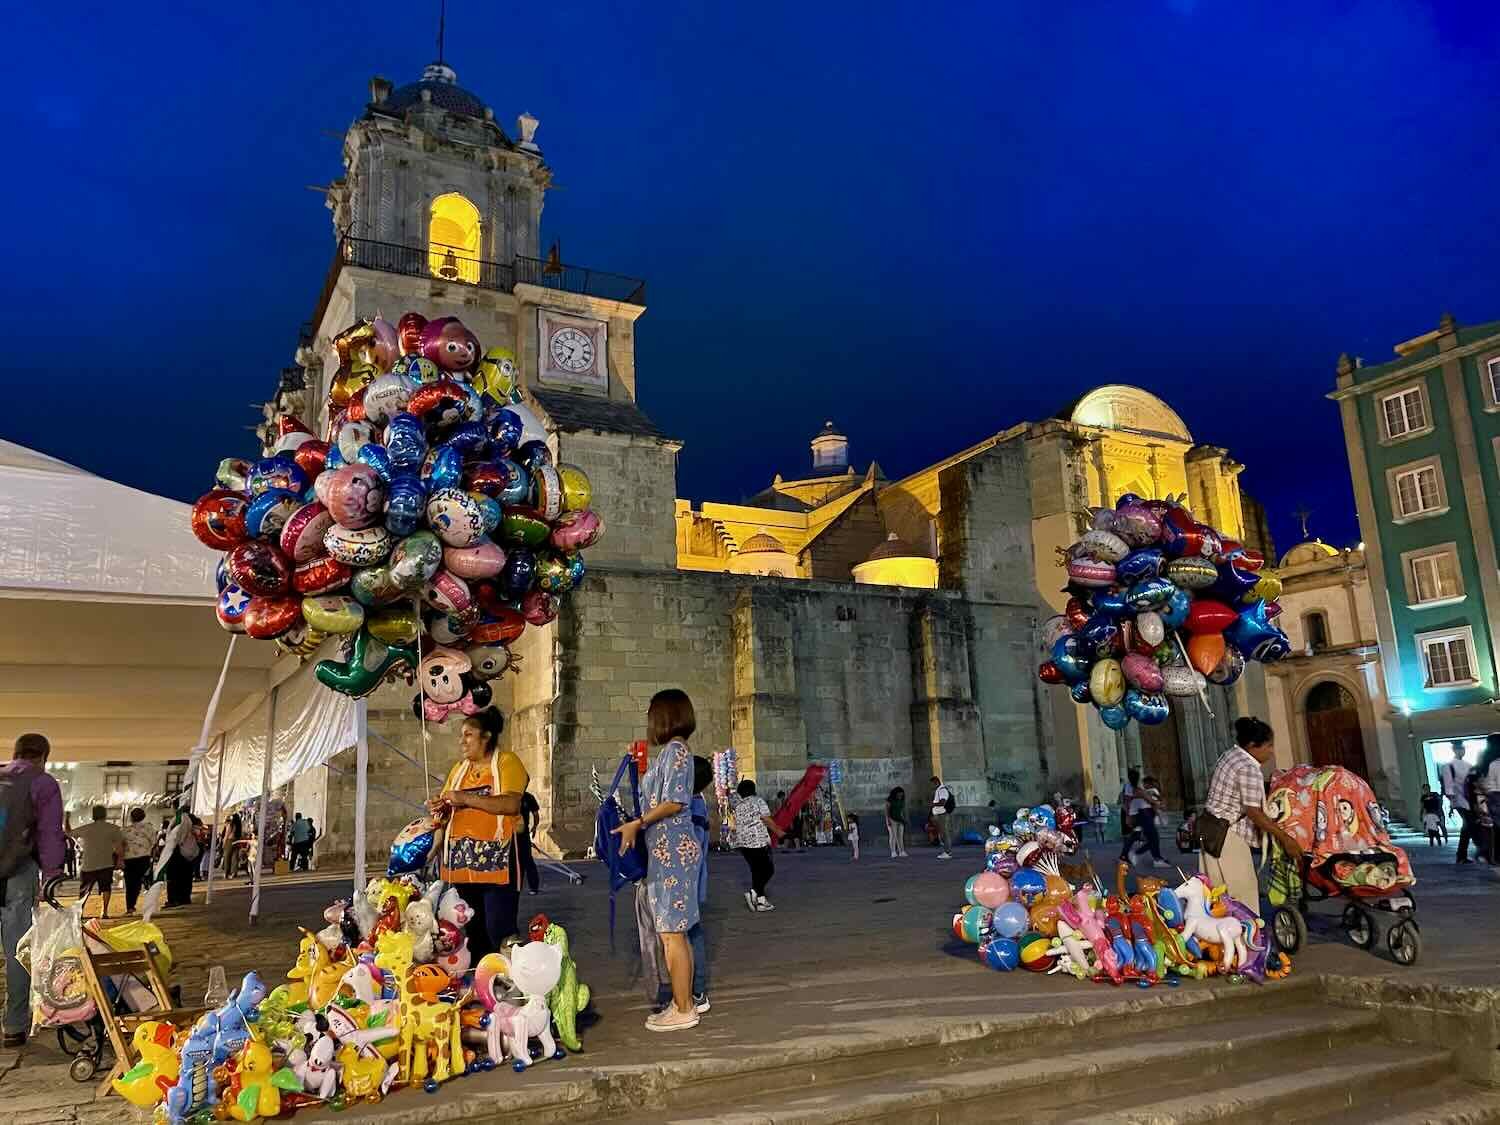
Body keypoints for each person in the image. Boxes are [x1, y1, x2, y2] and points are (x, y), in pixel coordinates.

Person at [611, 689, 702, 1032]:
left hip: (673, 851)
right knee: (675, 933)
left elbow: (675, 802)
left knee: (671, 934)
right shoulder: (669, 754)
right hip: (667, 851)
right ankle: (684, 1001)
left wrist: (640, 822)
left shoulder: (676, 752)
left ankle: (684, 1008)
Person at [427, 710, 528, 960]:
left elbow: (510, 804)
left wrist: (464, 798)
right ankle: (481, 985)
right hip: (463, 866)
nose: (462, 741)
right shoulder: (458, 770)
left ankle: (514, 981)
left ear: (487, 736)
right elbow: (447, 808)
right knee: (472, 931)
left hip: (498, 862)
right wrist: (440, 811)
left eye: (468, 735)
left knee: (499, 928)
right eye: (462, 735)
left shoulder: (507, 762)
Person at [1200, 716, 1304, 917]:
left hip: (1211, 831)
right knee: (1242, 897)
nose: (1271, 751)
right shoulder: (1248, 767)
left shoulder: (1230, 756)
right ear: (1252, 746)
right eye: (1268, 746)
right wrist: (1285, 838)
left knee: (1214, 895)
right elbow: (1254, 812)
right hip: (1228, 837)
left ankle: (1218, 943)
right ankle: (1249, 945)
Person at [1, 733, 65, 1048]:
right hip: (17, 873)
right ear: (43, 756)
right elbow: (50, 832)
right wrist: (52, 874)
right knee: (18, 950)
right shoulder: (43, 782)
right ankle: (13, 1025)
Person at [657, 755, 714, 1016]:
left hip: (685, 882)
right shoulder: (695, 802)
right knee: (688, 934)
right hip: (687, 881)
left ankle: (697, 991)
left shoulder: (691, 807)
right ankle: (688, 988)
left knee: (690, 935)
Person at [728, 778, 783, 911]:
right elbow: (766, 818)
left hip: (743, 843)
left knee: (756, 870)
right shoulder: (758, 801)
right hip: (757, 842)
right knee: (769, 869)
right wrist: (778, 831)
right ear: (753, 790)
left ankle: (761, 901)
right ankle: (754, 892)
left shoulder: (739, 805)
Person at [70, 804, 124, 918]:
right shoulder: (114, 828)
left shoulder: (86, 828)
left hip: (88, 864)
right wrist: (120, 860)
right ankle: (104, 912)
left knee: (84, 890)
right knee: (106, 888)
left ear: (93, 815)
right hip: (106, 863)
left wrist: (66, 819)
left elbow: (68, 833)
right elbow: (119, 847)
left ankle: (80, 913)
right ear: (105, 815)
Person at [1440, 743, 1476, 864]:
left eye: (1463, 749)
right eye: (1460, 749)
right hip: (1459, 800)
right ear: (1454, 750)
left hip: (1470, 799)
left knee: (1468, 826)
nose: (1462, 751)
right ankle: (1463, 855)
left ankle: (1463, 855)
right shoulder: (1449, 766)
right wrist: (1452, 803)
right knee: (1468, 825)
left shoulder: (1469, 765)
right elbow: (1448, 786)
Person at [121, 807, 156, 913]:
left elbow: (121, 845)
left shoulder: (125, 830)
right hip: (144, 859)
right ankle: (150, 905)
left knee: (131, 884)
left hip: (129, 860)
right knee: (147, 883)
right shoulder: (149, 828)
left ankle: (130, 906)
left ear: (131, 818)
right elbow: (153, 843)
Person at [163, 813, 201, 907]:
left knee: (174, 876)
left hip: (178, 852)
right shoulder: (194, 824)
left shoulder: (181, 820)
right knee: (186, 876)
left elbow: (176, 837)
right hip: (190, 853)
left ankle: (174, 899)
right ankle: (185, 898)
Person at [518, 791, 541, 895]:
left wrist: (535, 827)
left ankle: (533, 887)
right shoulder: (509, 795)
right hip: (510, 833)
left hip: (523, 833)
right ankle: (517, 886)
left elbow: (535, 814)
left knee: (527, 860)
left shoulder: (528, 797)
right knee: (515, 861)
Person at [930, 775, 954, 859]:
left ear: (936, 782)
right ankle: (946, 851)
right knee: (942, 833)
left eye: (932, 784)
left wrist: (933, 804)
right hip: (939, 815)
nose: (931, 786)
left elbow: (942, 802)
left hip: (942, 815)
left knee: (945, 833)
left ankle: (948, 852)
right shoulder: (939, 790)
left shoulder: (942, 790)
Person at [885, 787, 908, 858]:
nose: (900, 796)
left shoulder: (902, 800)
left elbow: (903, 810)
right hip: (892, 819)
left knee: (900, 836)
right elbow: (887, 811)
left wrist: (905, 819)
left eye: (901, 795)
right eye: (899, 795)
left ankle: (902, 851)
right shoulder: (890, 800)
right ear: (895, 794)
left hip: (900, 819)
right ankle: (893, 851)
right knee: (893, 836)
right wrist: (887, 820)